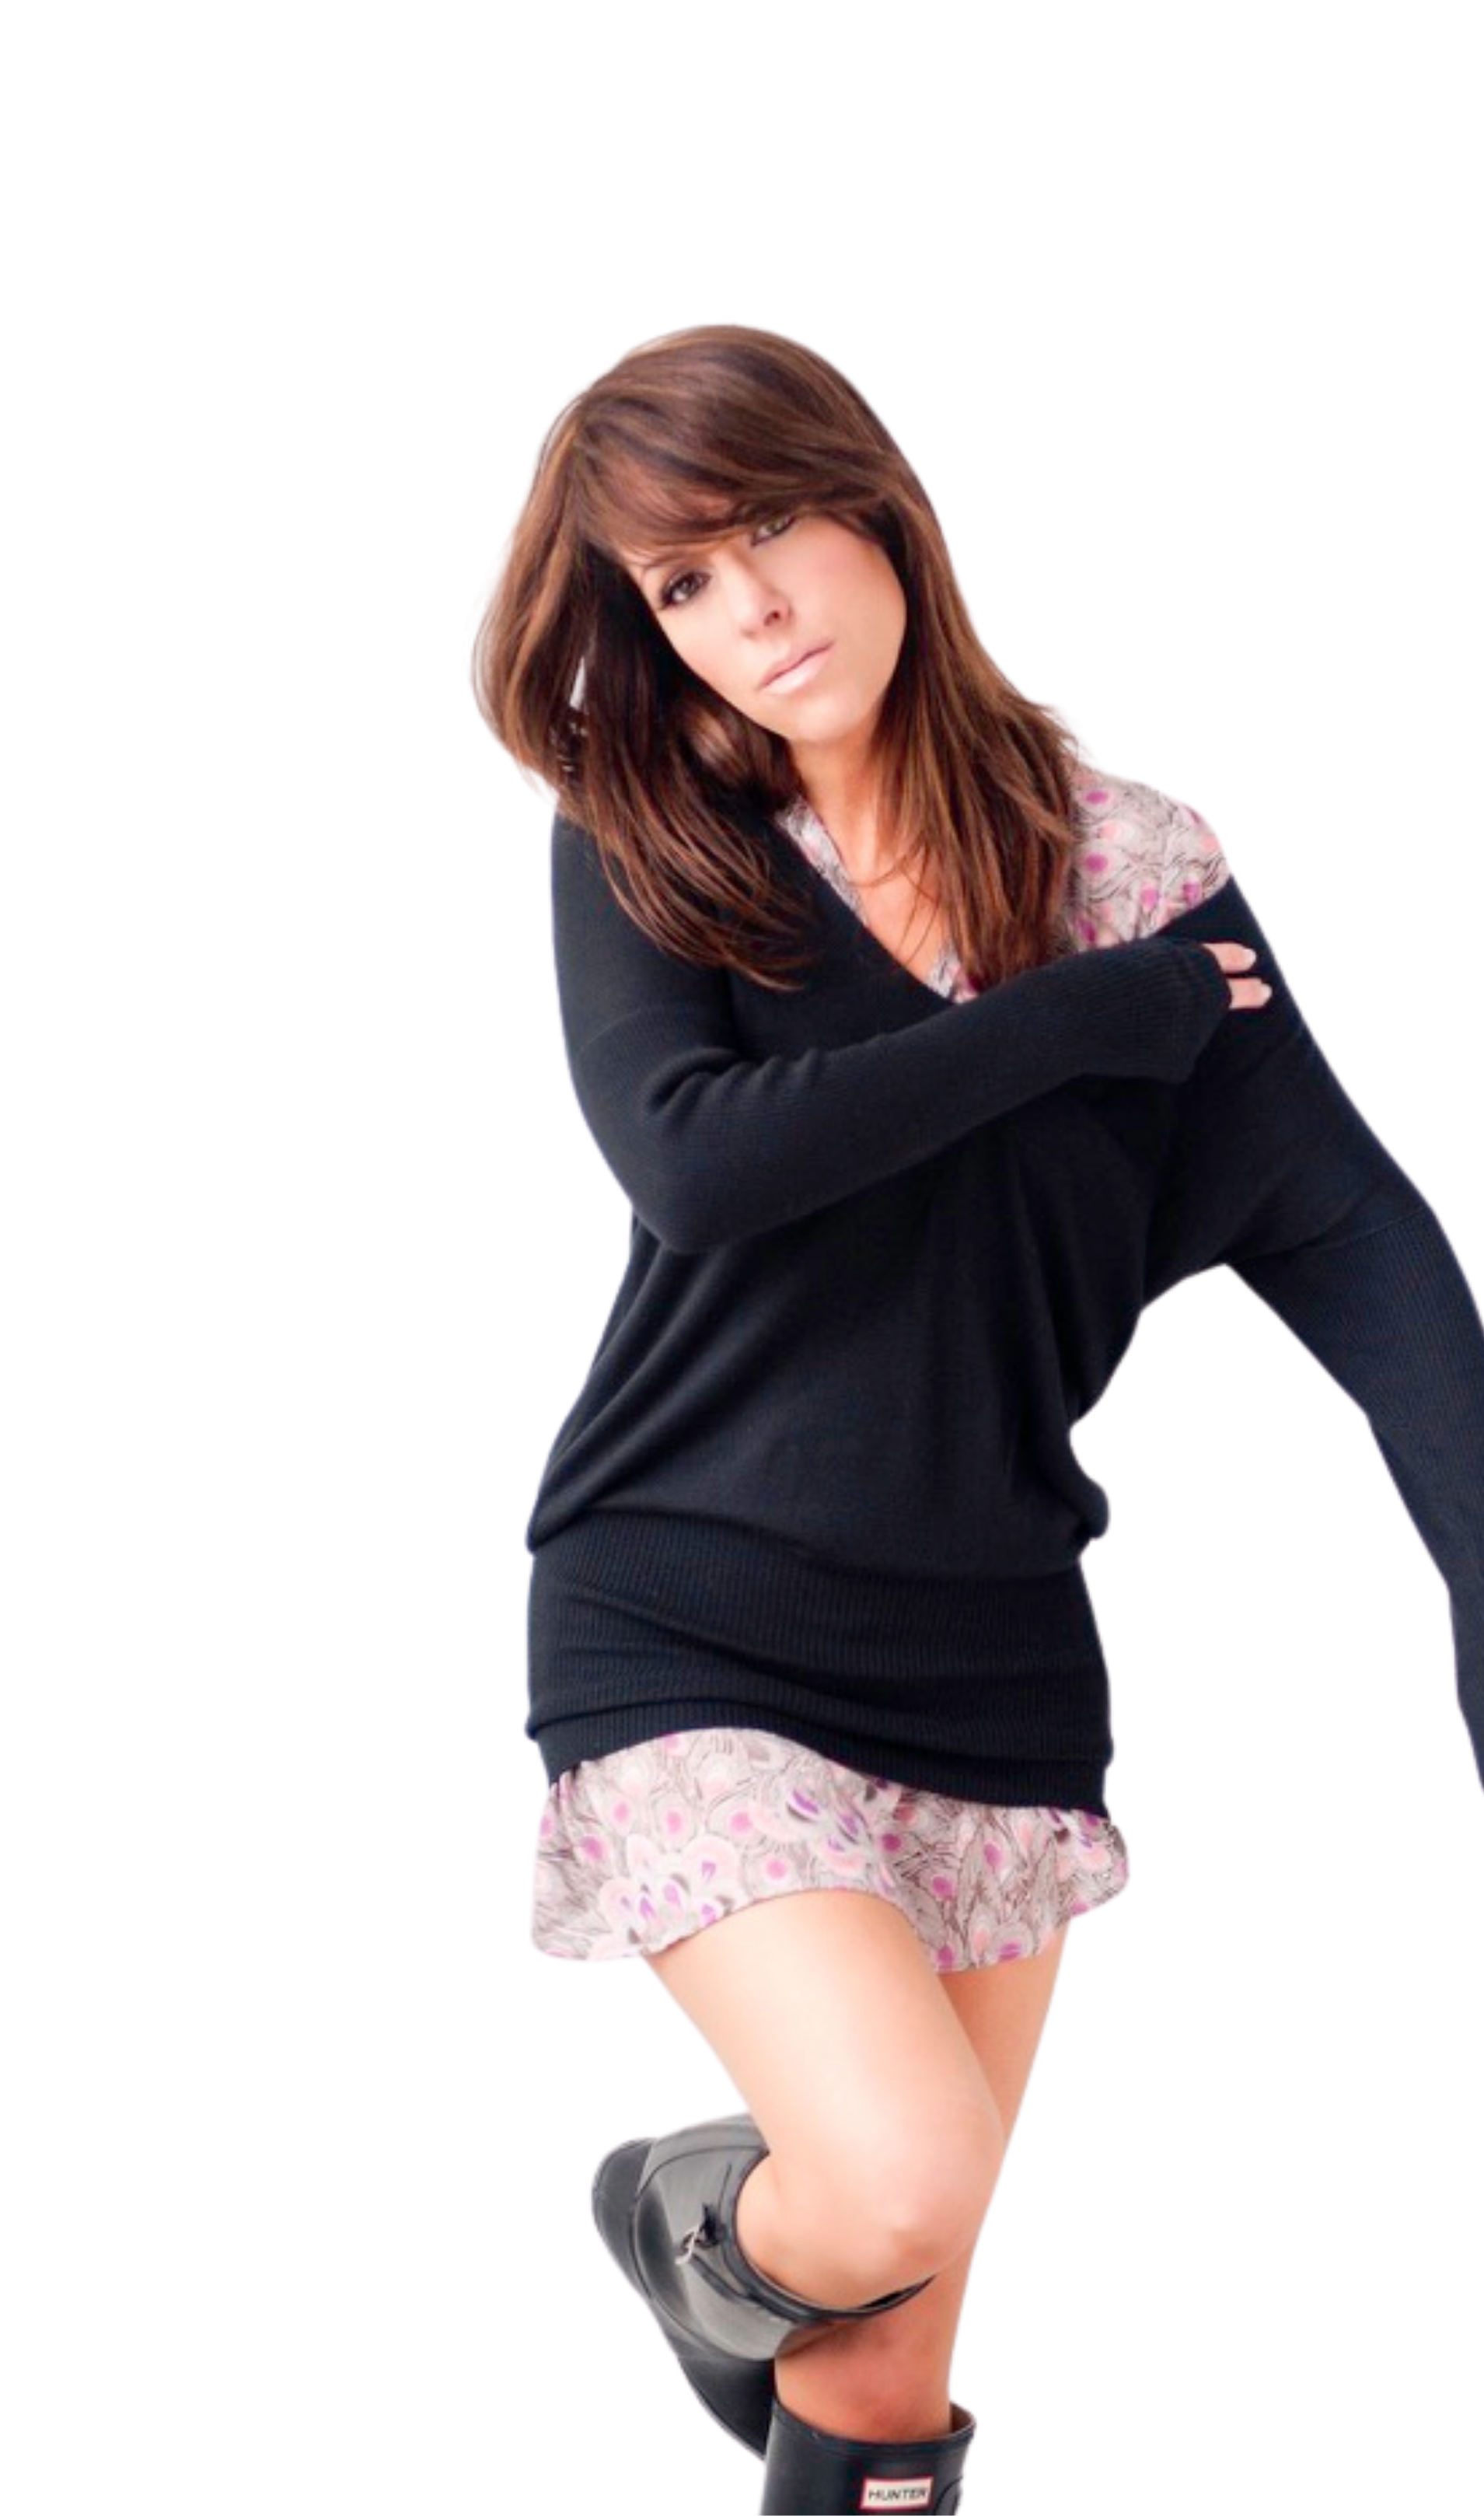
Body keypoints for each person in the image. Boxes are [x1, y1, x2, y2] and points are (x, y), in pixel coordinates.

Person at [466, 323, 1484, 2516]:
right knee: (895, 2176)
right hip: (683, 1612)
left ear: (877, 509)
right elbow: (702, 1164)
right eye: (682, 584)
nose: (754, 609)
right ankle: (683, 2213)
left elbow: (1352, 1240)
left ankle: (767, 2290)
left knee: (898, 2345)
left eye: (771, 529)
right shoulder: (653, 847)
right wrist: (1077, 1024)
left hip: (996, 1659)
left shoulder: (1134, 870)